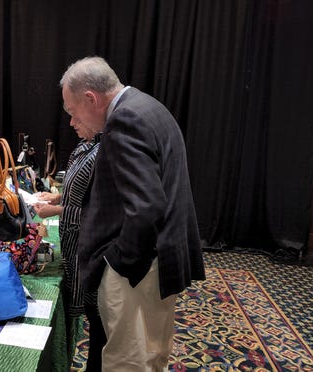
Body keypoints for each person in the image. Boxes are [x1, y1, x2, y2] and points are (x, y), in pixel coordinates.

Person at [61, 56, 205, 371]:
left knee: (128, 362)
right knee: (151, 355)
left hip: (139, 271)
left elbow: (147, 207)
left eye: (72, 111)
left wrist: (118, 263)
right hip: (159, 260)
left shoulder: (124, 121)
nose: (72, 121)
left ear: (91, 99)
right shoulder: (148, 106)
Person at [32, 126, 105, 370]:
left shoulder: (104, 151)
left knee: (101, 326)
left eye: (74, 113)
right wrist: (58, 198)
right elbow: (84, 194)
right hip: (85, 250)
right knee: (96, 323)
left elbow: (102, 213)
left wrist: (58, 210)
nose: (71, 122)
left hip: (97, 253)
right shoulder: (87, 147)